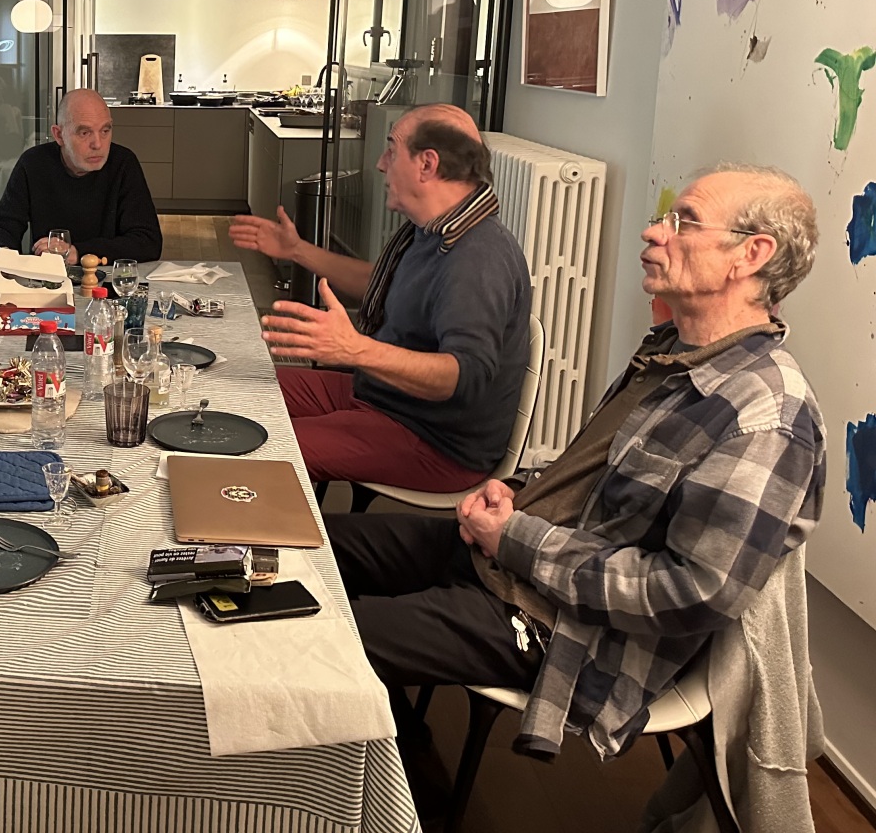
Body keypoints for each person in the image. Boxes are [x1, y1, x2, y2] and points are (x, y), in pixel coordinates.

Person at [330, 164, 824, 770]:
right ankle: (400, 746)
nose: (653, 231)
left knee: (313, 638)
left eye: (683, 221)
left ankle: (383, 785)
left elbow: (690, 593)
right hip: (509, 556)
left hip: (562, 626)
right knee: (319, 549)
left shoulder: (768, 416)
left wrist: (516, 537)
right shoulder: (671, 352)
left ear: (751, 255)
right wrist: (513, 491)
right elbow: (595, 486)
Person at [231, 103, 531, 492]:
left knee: (251, 448)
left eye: (391, 149)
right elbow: (384, 282)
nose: (380, 164)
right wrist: (297, 250)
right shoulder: (435, 230)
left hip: (432, 440)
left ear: (427, 164)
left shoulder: (477, 256)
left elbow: (464, 376)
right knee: (235, 392)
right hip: (381, 395)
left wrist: (355, 349)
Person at [0, 88, 163, 269]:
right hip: (49, 281)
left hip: (107, 282)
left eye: (105, 131)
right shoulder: (34, 164)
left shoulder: (123, 163)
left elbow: (148, 241)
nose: (98, 144)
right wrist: (0, 258)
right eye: (84, 133)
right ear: (59, 135)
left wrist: (78, 252)